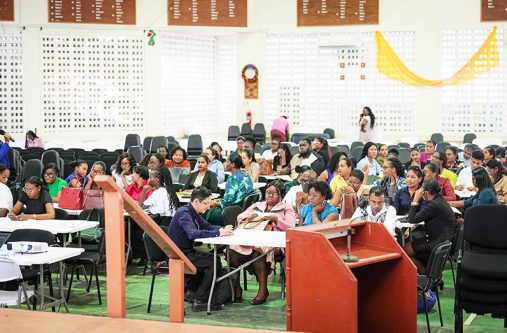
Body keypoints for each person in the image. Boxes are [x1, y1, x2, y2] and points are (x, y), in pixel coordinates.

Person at [167, 186, 233, 312]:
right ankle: (200, 300)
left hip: (185, 252)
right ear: (196, 201)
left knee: (210, 259)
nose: (208, 207)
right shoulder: (184, 213)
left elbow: (207, 226)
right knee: (213, 263)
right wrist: (219, 233)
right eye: (206, 203)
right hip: (178, 255)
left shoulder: (194, 213)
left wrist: (223, 229)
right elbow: (193, 233)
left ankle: (193, 293)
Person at [229, 180, 296, 305]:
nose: (269, 196)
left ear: (280, 194)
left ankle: (263, 290)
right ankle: (236, 288)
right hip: (252, 238)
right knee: (231, 250)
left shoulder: (286, 209)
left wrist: (276, 219)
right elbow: (239, 217)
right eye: (268, 192)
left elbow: (291, 227)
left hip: (274, 243)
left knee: (259, 252)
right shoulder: (257, 205)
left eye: (273, 193)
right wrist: (248, 217)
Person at [403, 179, 457, 274]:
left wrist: (415, 200)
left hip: (437, 241)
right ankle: (425, 273)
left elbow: (412, 219)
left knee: (405, 251)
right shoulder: (439, 199)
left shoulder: (434, 205)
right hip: (443, 239)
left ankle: (424, 275)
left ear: (426, 193)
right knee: (411, 246)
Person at [207, 153, 253, 226]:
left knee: (204, 211)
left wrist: (215, 203)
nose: (225, 163)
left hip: (232, 211)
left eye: (227, 161)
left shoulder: (233, 178)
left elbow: (227, 202)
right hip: (243, 209)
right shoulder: (246, 175)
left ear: (232, 165)